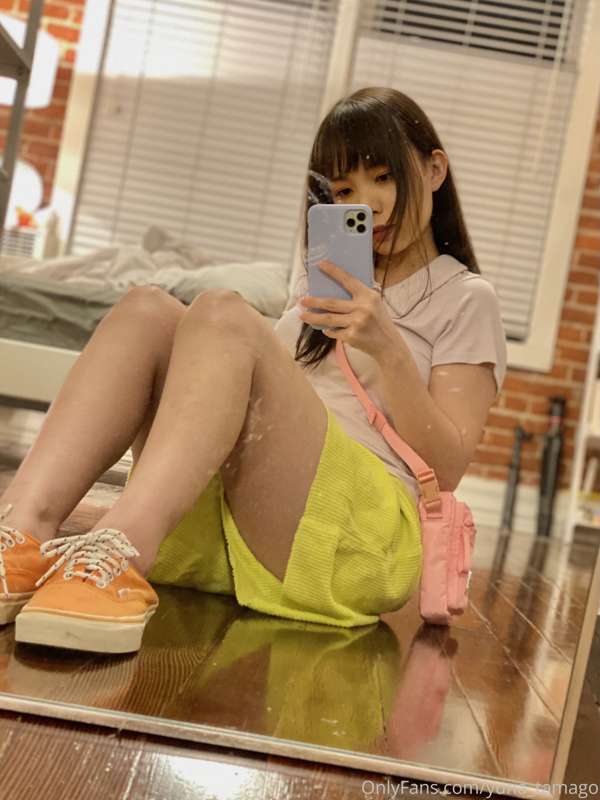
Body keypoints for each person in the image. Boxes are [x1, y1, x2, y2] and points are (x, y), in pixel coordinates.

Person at [0, 86, 506, 654]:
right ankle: (20, 532)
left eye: (384, 178)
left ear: (434, 170)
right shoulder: (322, 280)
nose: (367, 205)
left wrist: (388, 349)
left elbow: (448, 466)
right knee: (146, 309)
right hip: (250, 520)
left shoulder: (466, 298)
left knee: (224, 312)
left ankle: (123, 549)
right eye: (344, 190)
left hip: (357, 538)